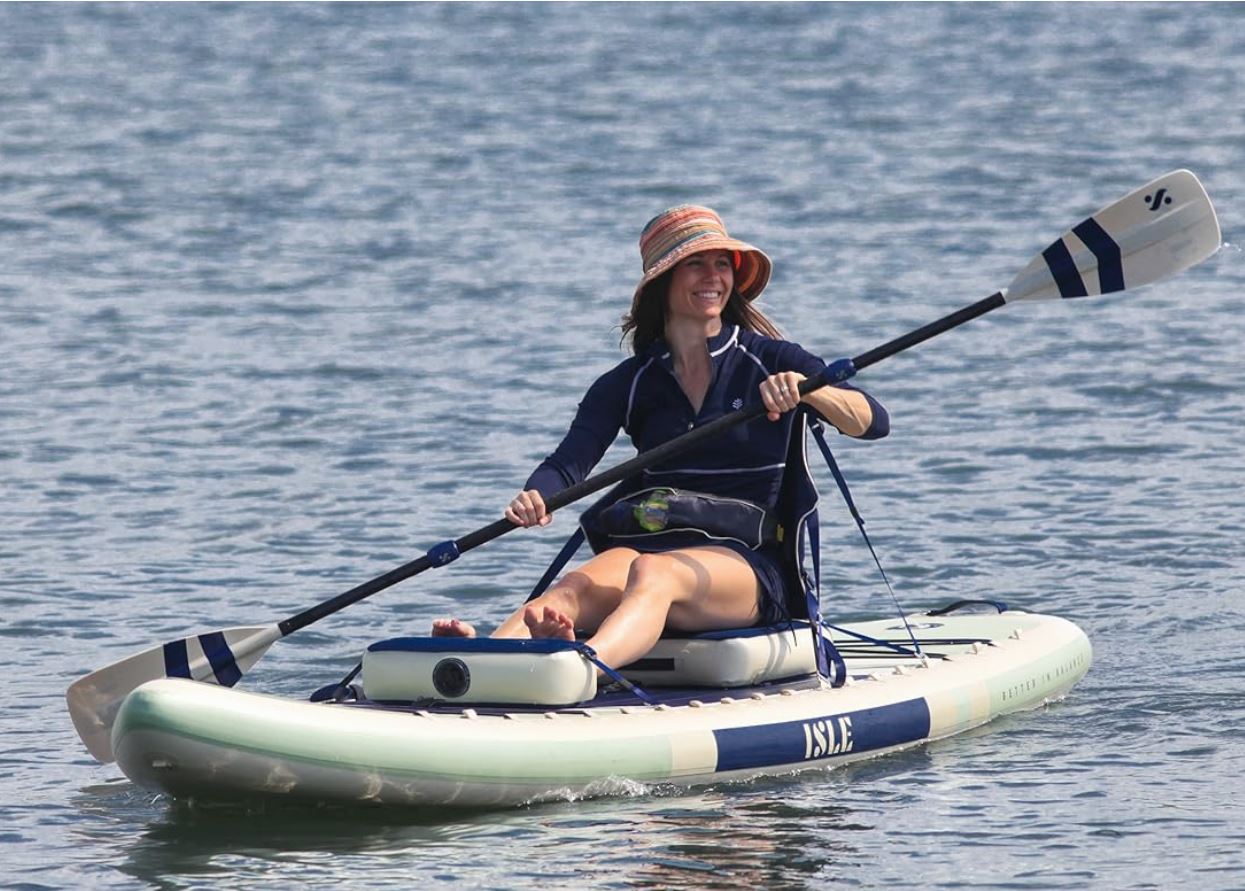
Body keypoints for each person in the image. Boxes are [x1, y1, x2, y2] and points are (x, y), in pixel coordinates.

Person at [433, 205, 888, 671]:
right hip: (649, 543)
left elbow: (872, 421)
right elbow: (568, 464)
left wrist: (811, 392)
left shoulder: (768, 359)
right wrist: (535, 496)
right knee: (570, 590)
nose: (713, 276)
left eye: (721, 263)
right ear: (663, 283)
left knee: (653, 573)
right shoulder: (629, 382)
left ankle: (580, 669)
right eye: (695, 263)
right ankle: (481, 660)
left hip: (746, 563)